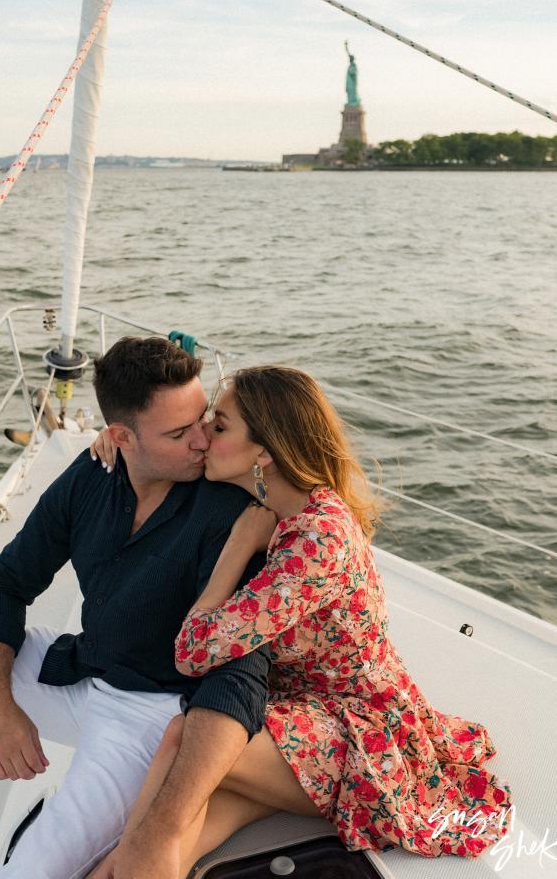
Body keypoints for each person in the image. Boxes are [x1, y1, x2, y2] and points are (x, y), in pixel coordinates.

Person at [93, 365, 513, 879]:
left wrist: (238, 548)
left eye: (219, 427)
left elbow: (194, 650)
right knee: (176, 831)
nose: (203, 437)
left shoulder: (316, 542)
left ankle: (137, 857)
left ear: (265, 451)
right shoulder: (290, 503)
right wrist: (118, 441)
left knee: (188, 746)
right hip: (304, 715)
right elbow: (156, 418)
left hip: (358, 737)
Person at [0, 337, 271, 879]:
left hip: (151, 716)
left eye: (202, 420)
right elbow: (6, 583)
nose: (204, 441)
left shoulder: (227, 509)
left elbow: (238, 677)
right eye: (180, 433)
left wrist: (163, 823)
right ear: (120, 437)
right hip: (83, 668)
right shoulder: (94, 474)